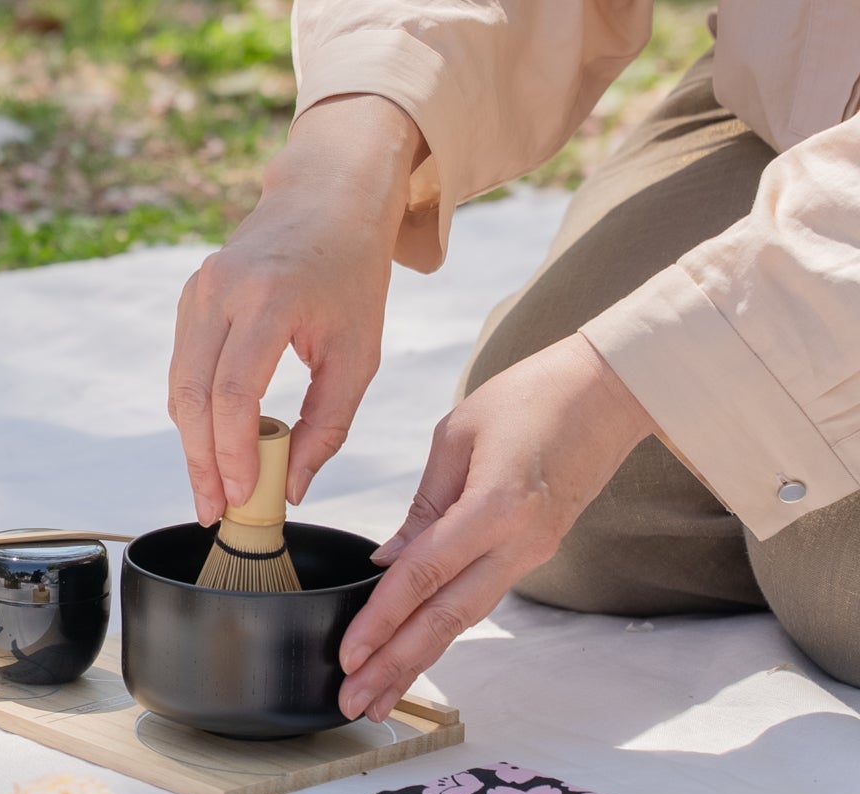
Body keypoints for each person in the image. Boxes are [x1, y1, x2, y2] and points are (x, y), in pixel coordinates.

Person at [168, 1, 860, 722]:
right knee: (542, 502)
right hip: (797, 85)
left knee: (833, 589)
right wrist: (339, 169)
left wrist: (617, 384)